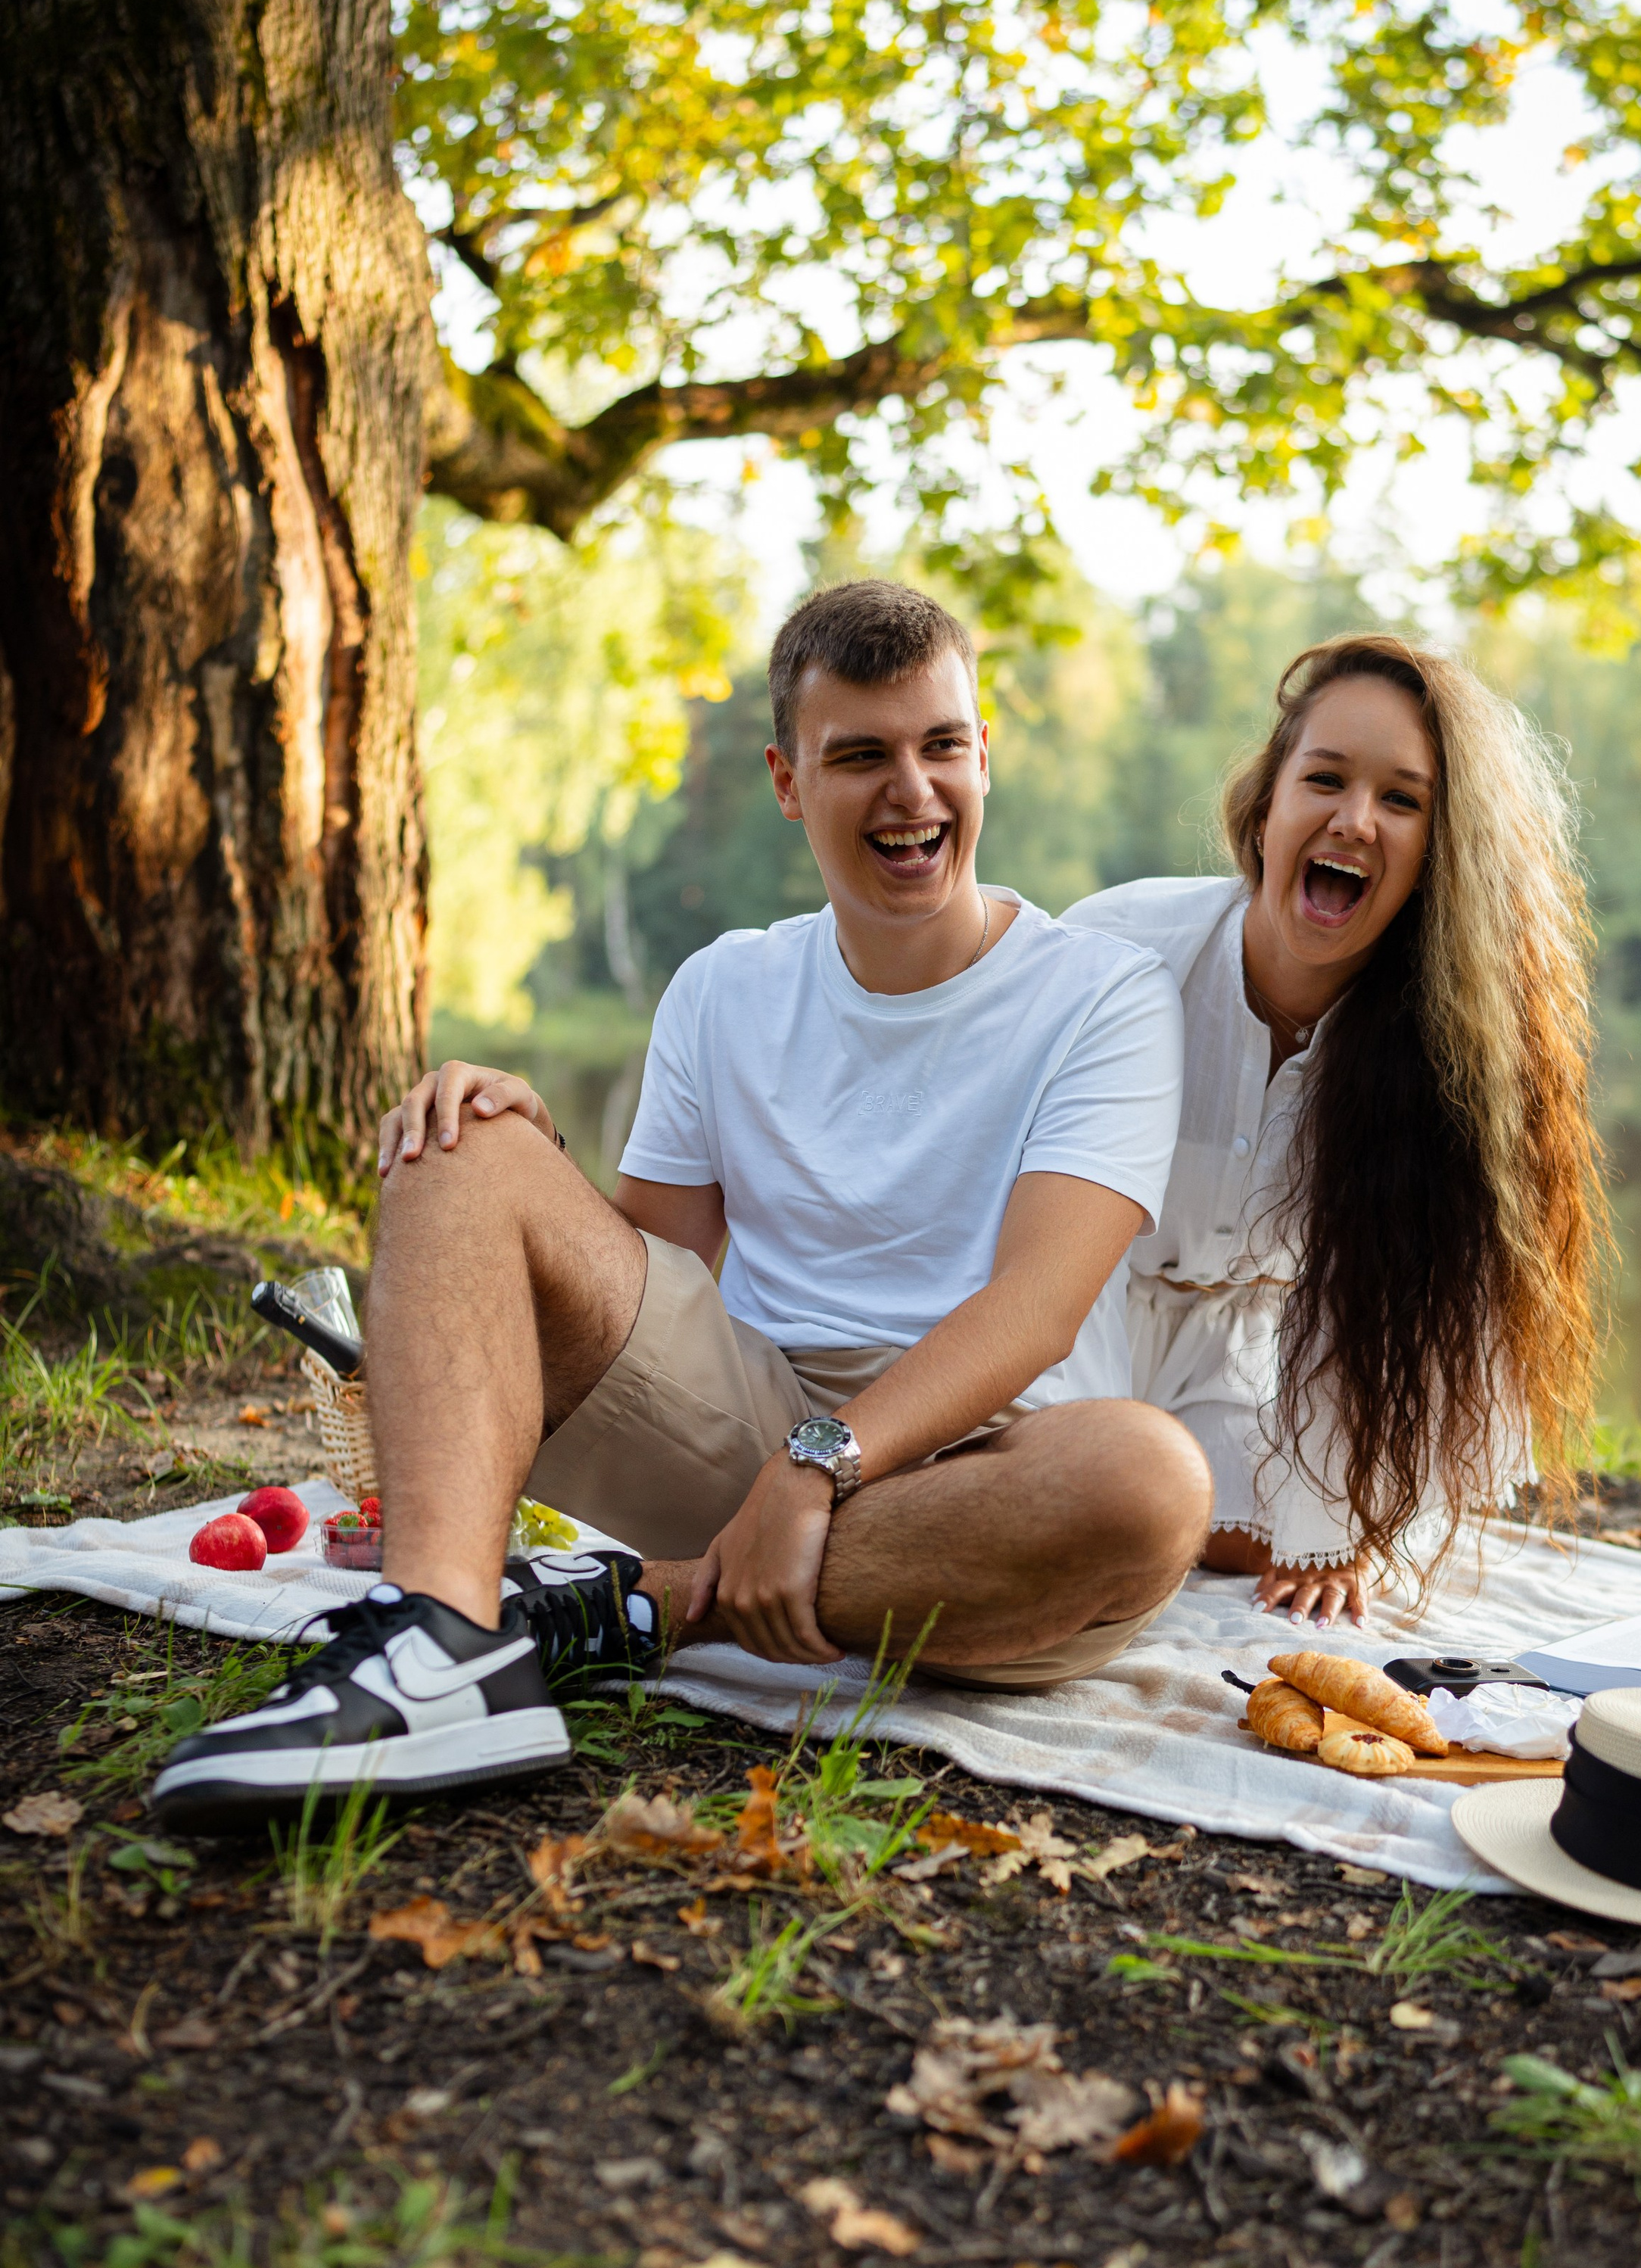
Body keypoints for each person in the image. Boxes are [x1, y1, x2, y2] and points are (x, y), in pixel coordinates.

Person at [157, 581, 1211, 1815]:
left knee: (1150, 1486)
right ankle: (439, 1640)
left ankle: (647, 1604)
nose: (910, 792)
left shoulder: (1104, 996)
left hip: (993, 1473)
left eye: (939, 747)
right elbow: (643, 1282)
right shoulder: (725, 988)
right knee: (462, 1135)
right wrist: (524, 1164)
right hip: (746, 1420)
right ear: (786, 780)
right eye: (859, 755)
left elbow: (1035, 1312)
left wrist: (818, 1472)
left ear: (985, 754)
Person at [1064, 631, 1606, 1626]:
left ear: (1438, 857)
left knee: (1303, 1533)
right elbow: (1023, 1233)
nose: (1356, 820)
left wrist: (1334, 1516)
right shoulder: (1116, 953)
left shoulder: (1448, 1049)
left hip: (1231, 1373)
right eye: (1325, 779)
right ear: (1267, 808)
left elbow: (1379, 1316)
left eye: (1402, 800)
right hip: (1060, 1323)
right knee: (1099, 1501)